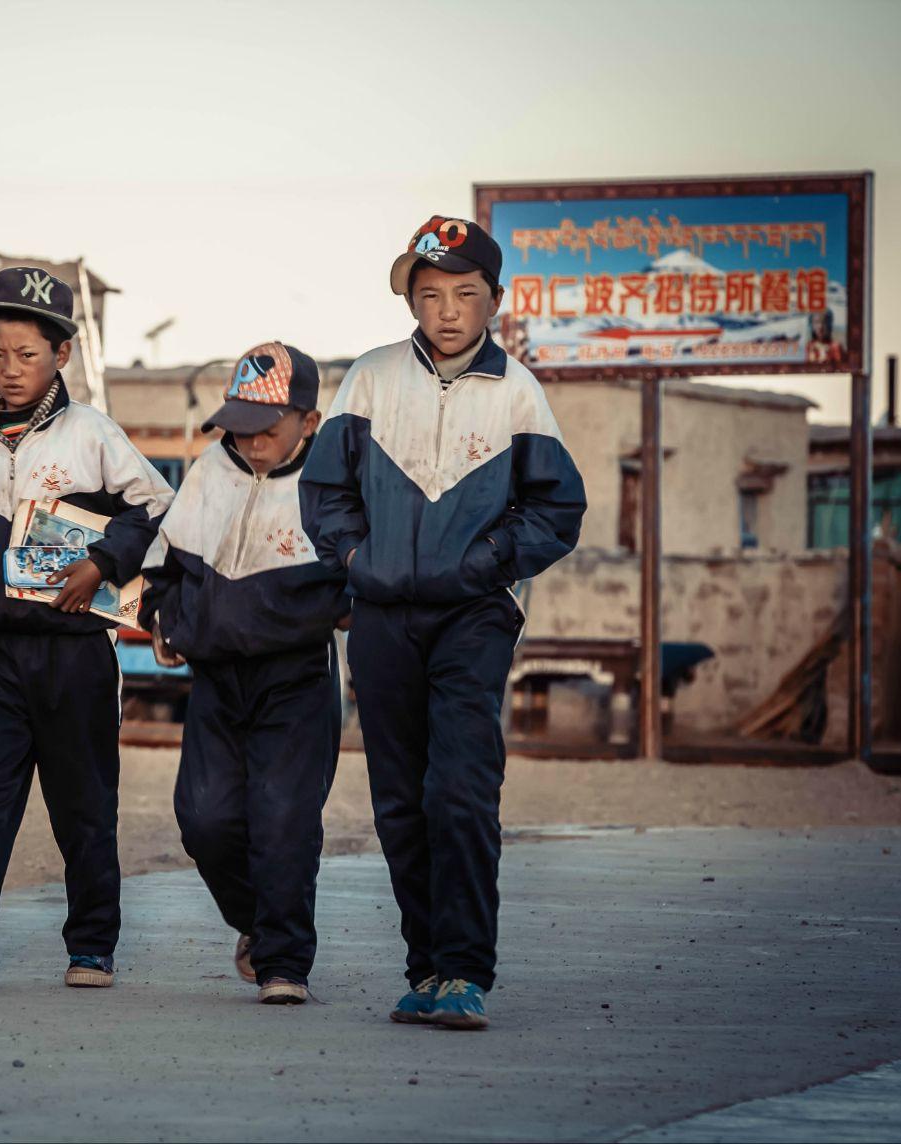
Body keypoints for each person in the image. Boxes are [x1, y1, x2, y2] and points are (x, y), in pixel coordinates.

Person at [300, 217, 586, 1029]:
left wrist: (485, 562)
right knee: (398, 799)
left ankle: (465, 972)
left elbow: (557, 509)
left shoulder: (518, 393)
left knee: (458, 790)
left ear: (495, 299)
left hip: (475, 616)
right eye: (430, 295)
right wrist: (358, 560)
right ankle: (425, 967)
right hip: (383, 615)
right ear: (410, 301)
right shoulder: (369, 379)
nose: (448, 310)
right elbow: (325, 495)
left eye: (465, 293)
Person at [0, 266, 173, 994]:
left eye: (27, 354)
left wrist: (101, 563)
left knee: (82, 805)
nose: (10, 369)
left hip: (74, 651)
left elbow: (158, 511)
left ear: (62, 355)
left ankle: (92, 945)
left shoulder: (92, 435)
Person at [141, 341, 350, 1005]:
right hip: (216, 678)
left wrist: (346, 609)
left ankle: (284, 963)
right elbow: (168, 563)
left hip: (296, 679)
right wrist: (166, 621)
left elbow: (361, 575)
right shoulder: (210, 472)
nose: (253, 442)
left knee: (284, 818)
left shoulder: (333, 487)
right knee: (204, 821)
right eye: (240, 427)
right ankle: (258, 924)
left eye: (269, 429)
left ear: (307, 423)